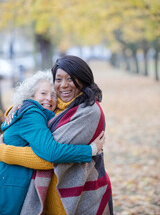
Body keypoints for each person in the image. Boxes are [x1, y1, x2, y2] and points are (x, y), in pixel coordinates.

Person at [0, 55, 113, 215]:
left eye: (70, 78)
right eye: (58, 79)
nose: (63, 86)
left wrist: (4, 151)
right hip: (18, 185)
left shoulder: (87, 112)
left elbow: (48, 159)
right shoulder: (50, 109)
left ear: (83, 79)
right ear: (31, 96)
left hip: (76, 197)